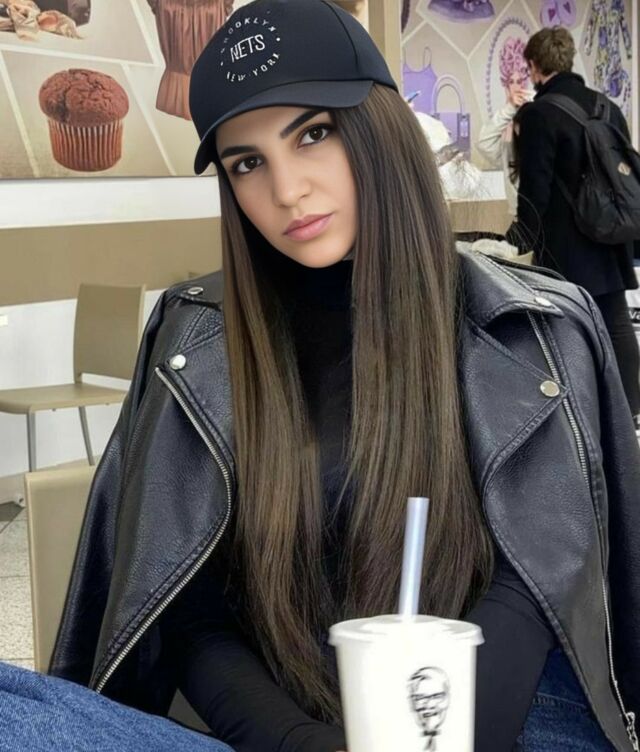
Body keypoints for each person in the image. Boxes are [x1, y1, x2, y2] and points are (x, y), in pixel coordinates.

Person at [48, 2, 640, 752]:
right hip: (274, 717)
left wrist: (433, 736)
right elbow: (187, 607)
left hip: (500, 713)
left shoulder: (535, 330)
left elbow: (540, 578)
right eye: (247, 163)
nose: (287, 190)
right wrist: (297, 740)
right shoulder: (195, 338)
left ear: (378, 128)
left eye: (313, 134)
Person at [513, 26, 640, 421]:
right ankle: (630, 410)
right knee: (615, 320)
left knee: (565, 324)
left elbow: (536, 187)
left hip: (567, 241)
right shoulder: (606, 106)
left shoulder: (539, 114)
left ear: (535, 66)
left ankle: (576, 411)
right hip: (612, 233)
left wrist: (520, 238)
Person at [476, 36, 532, 218]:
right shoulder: (507, 122)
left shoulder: (537, 109)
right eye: (511, 81)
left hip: (539, 213)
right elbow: (484, 143)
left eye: (520, 81)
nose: (515, 87)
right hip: (517, 213)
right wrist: (510, 108)